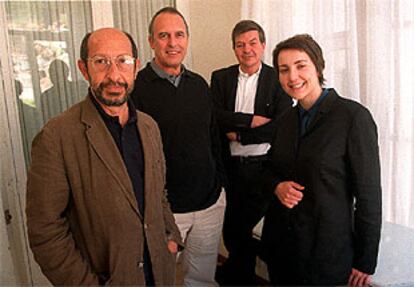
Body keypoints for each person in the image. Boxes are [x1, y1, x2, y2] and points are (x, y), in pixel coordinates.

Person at [26, 27, 182, 286]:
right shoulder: (56, 137)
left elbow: (158, 193)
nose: (114, 75)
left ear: (136, 68)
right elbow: (45, 232)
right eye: (101, 62)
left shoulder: (149, 127)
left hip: (159, 273)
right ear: (83, 69)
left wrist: (171, 237)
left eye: (123, 61)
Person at [260, 34, 382, 286]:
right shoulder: (285, 120)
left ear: (318, 66)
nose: (292, 76)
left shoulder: (352, 117)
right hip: (282, 249)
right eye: (284, 70)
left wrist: (365, 259)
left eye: (300, 65)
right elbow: (268, 169)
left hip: (325, 255)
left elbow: (369, 194)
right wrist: (277, 186)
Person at [130, 7, 226, 287]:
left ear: (187, 38)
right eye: (164, 36)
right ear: (151, 41)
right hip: (166, 211)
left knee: (202, 278)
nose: (173, 43)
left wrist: (220, 184)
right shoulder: (136, 91)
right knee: (159, 278)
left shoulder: (199, 85)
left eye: (179, 35)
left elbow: (213, 139)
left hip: (209, 204)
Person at [210, 20, 292, 285]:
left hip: (263, 169)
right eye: (240, 44)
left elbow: (279, 126)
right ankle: (238, 275)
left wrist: (239, 134)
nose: (247, 49)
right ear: (234, 49)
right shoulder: (220, 78)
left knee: (256, 232)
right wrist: (249, 120)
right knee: (232, 230)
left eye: (252, 43)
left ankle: (238, 277)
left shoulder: (277, 77)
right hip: (230, 168)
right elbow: (214, 117)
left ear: (263, 45)